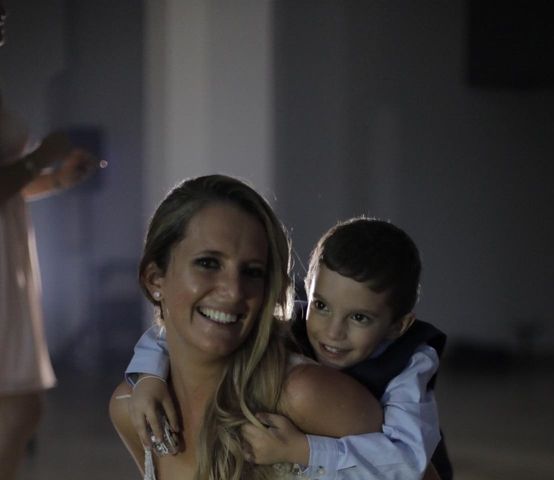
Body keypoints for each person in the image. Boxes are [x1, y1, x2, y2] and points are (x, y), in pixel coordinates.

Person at [124, 216, 452, 479]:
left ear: (398, 325)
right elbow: (180, 333)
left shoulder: (410, 363)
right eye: (321, 306)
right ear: (307, 289)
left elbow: (409, 464)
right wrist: (148, 376)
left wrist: (301, 450)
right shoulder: (293, 318)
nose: (332, 332)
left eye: (359, 317)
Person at [108, 175, 385, 480]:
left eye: (252, 272)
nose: (234, 291)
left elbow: (407, 466)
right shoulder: (132, 410)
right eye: (209, 263)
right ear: (154, 279)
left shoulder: (305, 395)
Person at [0, 5, 100, 478]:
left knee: (22, 407)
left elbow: (9, 187)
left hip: (10, 251)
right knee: (17, 408)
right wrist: (41, 156)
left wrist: (57, 179)